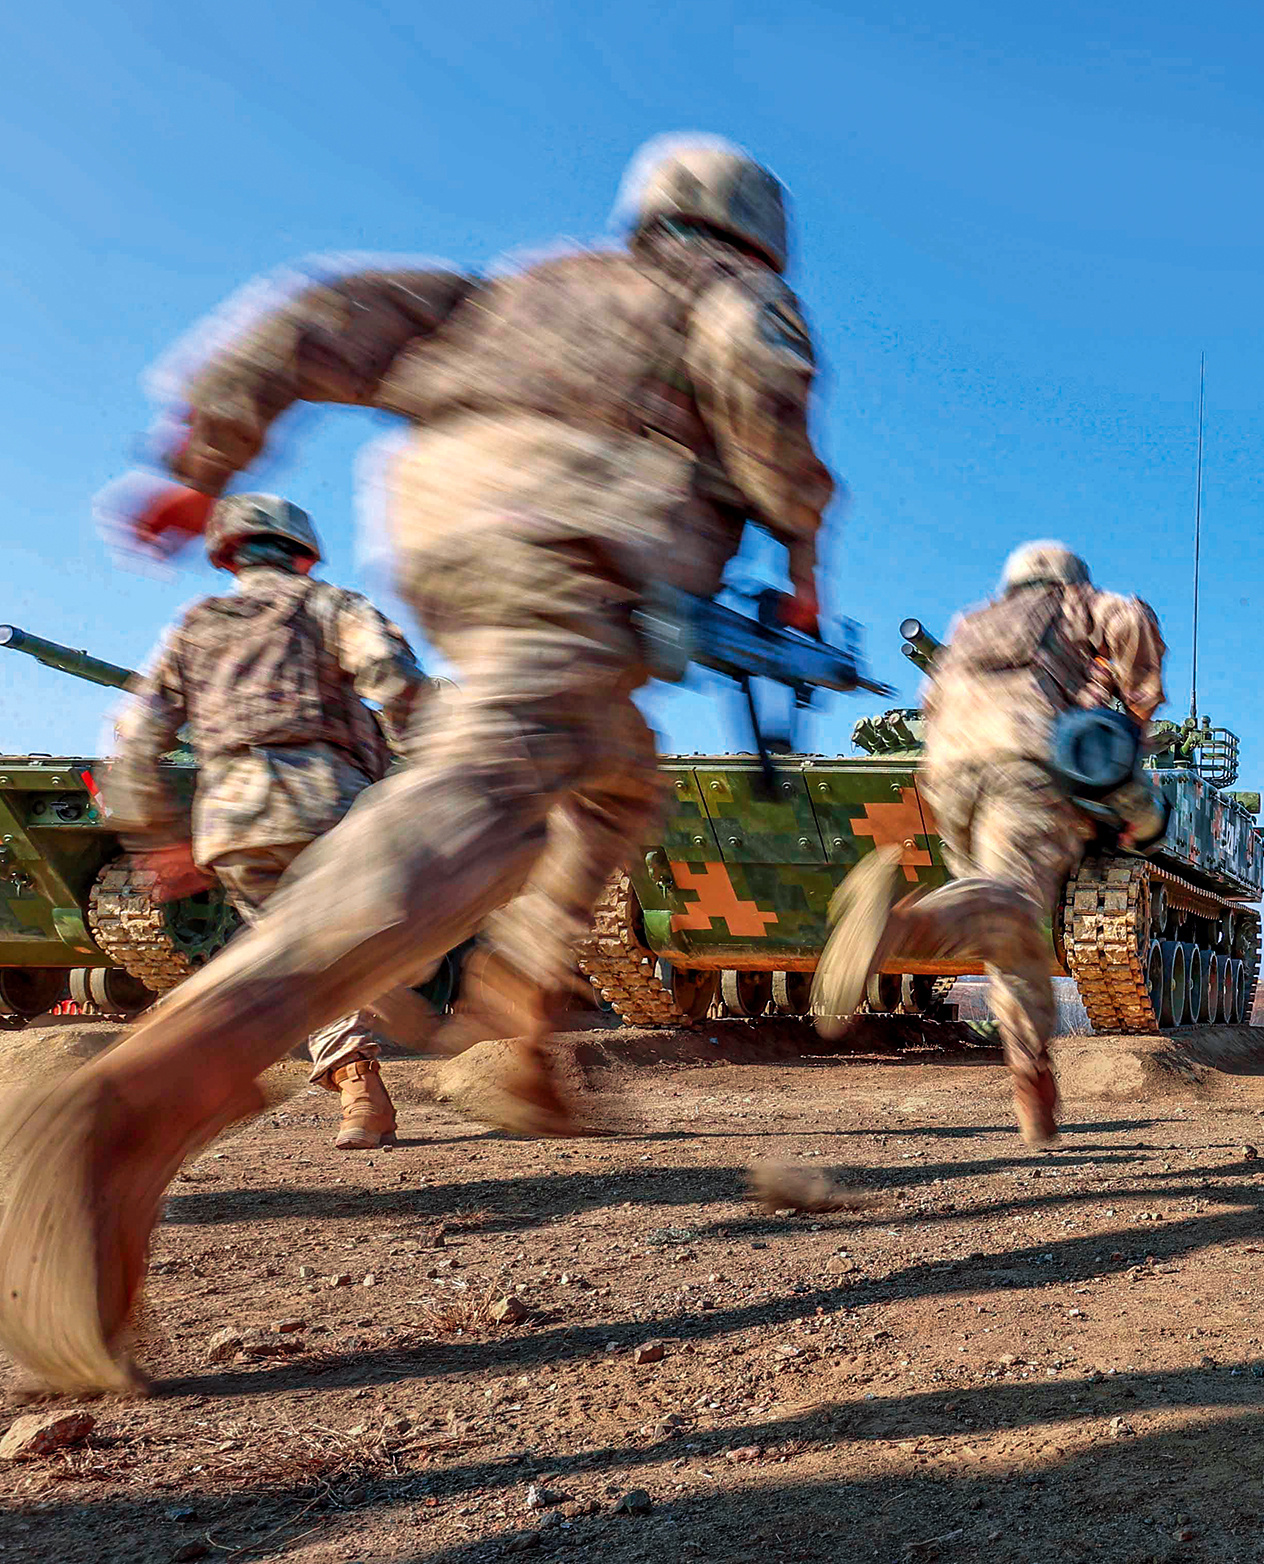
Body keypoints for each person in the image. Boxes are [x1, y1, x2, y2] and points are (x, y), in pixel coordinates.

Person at [0, 133, 836, 1396]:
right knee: (491, 790)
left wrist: (199, 463)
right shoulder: (728, 290)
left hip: (442, 518)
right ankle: (146, 1095)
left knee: (618, 781)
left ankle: (519, 1027)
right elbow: (761, 387)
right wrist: (803, 553)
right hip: (579, 528)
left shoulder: (527, 285)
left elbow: (320, 313)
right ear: (754, 231)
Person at [101, 494, 432, 1151]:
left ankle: (192, 1068)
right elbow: (391, 675)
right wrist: (421, 756)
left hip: (232, 820)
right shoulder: (330, 605)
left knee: (292, 953)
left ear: (229, 558)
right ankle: (362, 1068)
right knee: (359, 941)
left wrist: (157, 837)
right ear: (303, 555)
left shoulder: (196, 624)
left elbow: (135, 737)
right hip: (327, 802)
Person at [813, 542, 1165, 1147]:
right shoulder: (1076, 603)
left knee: (1007, 929)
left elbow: (932, 700)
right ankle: (900, 925)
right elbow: (1130, 621)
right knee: (1012, 906)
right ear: (1067, 578)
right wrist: (1133, 720)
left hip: (948, 773)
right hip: (1021, 761)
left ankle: (1032, 1077)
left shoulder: (972, 624)